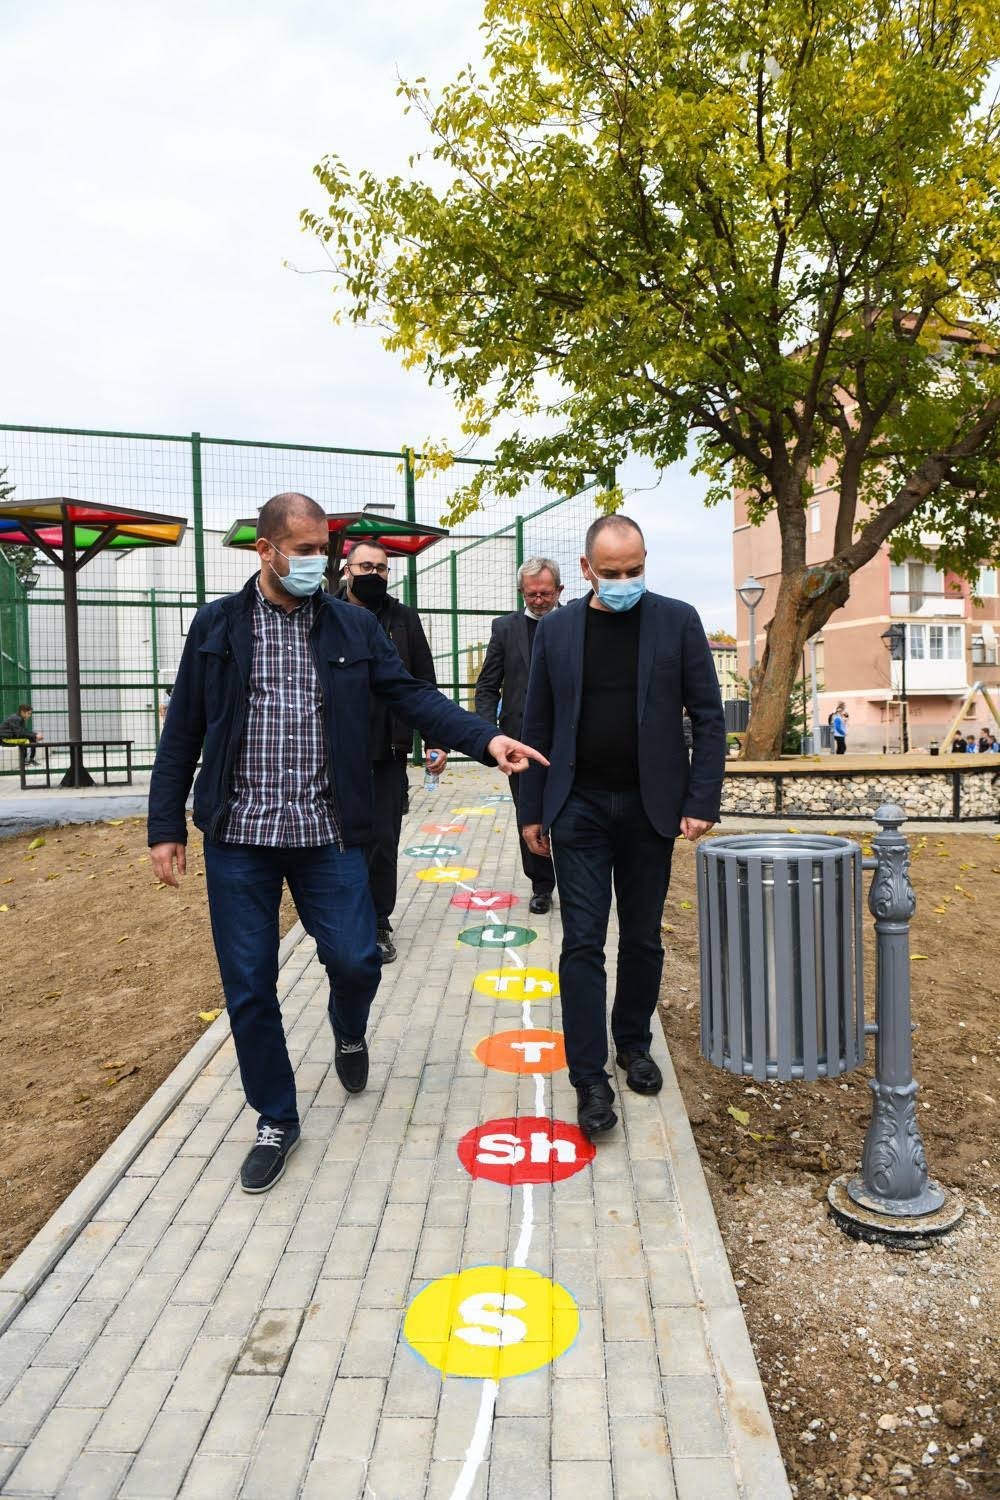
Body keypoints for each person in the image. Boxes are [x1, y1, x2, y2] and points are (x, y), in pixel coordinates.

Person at [148, 492, 545, 1195]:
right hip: (239, 838)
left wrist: (485, 738)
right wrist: (163, 826)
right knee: (249, 985)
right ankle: (275, 1117)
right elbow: (184, 726)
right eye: (301, 550)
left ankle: (349, 1028)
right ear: (264, 550)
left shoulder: (352, 628)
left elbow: (412, 695)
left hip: (326, 831)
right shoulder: (218, 626)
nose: (316, 562)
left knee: (358, 959)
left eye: (321, 549)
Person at [518, 515, 725, 1140]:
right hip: (577, 807)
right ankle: (588, 1077)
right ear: (587, 571)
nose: (625, 581)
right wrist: (532, 811)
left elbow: (709, 717)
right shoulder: (556, 630)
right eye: (612, 573)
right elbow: (536, 727)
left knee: (641, 938)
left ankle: (632, 1043)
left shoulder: (677, 621)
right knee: (582, 941)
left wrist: (701, 797)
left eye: (635, 570)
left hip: (650, 808)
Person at [338, 539, 443, 963]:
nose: (374, 575)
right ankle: (345, 919)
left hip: (387, 750)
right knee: (341, 840)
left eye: (382, 568)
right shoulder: (324, 613)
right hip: (334, 752)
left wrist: (435, 738)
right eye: (365, 566)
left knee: (383, 839)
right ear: (347, 570)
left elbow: (422, 680)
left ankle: (379, 921)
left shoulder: (402, 618)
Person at [475, 557, 563, 913]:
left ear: (559, 590)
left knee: (570, 813)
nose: (539, 600)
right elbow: (487, 686)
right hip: (520, 741)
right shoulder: (505, 629)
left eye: (545, 593)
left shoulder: (576, 624)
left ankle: (576, 881)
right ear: (520, 593)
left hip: (568, 739)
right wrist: (488, 734)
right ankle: (542, 885)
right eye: (531, 594)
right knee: (529, 813)